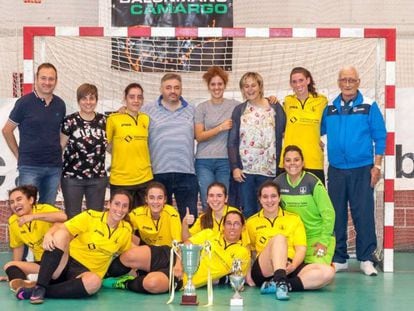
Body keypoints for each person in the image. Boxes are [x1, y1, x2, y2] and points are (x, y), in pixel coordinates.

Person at [321, 66, 387, 276]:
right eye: (343, 80)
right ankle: (339, 258)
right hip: (337, 169)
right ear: (338, 82)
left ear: (358, 82)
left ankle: (366, 258)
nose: (347, 84)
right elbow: (322, 133)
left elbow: (380, 137)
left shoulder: (369, 105)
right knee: (336, 214)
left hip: (362, 169)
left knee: (363, 213)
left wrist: (376, 167)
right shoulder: (330, 106)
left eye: (351, 80)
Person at [14, 190, 133, 304]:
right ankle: (40, 286)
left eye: (124, 206)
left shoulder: (126, 230)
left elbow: (126, 253)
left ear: (128, 210)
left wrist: (136, 274)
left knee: (95, 283)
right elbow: (62, 227)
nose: (120, 209)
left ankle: (39, 291)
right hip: (65, 263)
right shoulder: (91, 216)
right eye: (117, 204)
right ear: (108, 204)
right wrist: (49, 234)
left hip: (84, 274)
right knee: (61, 234)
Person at [102, 210, 250, 294]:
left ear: (242, 227)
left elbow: (237, 280)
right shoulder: (209, 233)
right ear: (223, 226)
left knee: (152, 283)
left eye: (236, 224)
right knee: (130, 255)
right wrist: (178, 264)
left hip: (184, 278)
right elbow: (185, 244)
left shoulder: (242, 252)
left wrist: (212, 279)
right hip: (174, 255)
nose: (232, 227)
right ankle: (102, 274)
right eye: (229, 223)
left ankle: (126, 283)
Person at [246, 181, 334, 300]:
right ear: (260, 199)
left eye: (273, 196)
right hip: (265, 269)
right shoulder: (251, 222)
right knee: (279, 238)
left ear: (279, 198)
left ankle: (282, 285)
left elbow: (301, 248)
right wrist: (247, 273)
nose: (269, 200)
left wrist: (293, 266)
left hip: (290, 266)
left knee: (328, 272)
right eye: (265, 197)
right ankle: (280, 281)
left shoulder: (294, 219)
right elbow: (247, 250)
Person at [2, 63, 66, 205]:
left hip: (54, 168)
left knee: (47, 210)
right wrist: (19, 155)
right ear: (36, 79)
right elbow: (7, 130)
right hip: (29, 167)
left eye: (51, 79)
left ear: (56, 81)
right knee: (26, 209)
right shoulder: (24, 103)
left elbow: (62, 133)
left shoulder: (60, 104)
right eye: (43, 78)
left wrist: (58, 150)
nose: (47, 82)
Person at [228, 72, 286, 218]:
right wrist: (235, 167)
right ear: (242, 89)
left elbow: (286, 132)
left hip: (269, 170)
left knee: (268, 211)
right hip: (246, 172)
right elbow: (232, 141)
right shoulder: (239, 110)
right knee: (248, 211)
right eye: (246, 86)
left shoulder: (275, 107)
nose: (250, 89)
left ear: (260, 87)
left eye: (253, 85)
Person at [142, 73, 198, 220]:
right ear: (161, 89)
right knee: (158, 220)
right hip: (158, 173)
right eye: (168, 87)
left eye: (176, 87)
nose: (172, 91)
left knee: (189, 219)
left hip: (186, 173)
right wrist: (123, 110)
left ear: (181, 90)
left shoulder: (192, 109)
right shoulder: (147, 109)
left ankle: (187, 244)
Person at [274, 145, 336, 264]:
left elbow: (329, 213)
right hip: (293, 240)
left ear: (303, 163)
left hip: (317, 237)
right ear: (283, 163)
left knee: (318, 273)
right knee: (283, 268)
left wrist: (324, 241)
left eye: (296, 160)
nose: (292, 163)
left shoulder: (313, 182)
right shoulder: (278, 183)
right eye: (288, 160)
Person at [3, 185, 67, 291]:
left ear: (31, 200)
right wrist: (14, 272)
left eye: (19, 199)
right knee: (9, 265)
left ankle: (40, 283)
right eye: (12, 202)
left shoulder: (43, 209)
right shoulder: (13, 221)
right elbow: (18, 247)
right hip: (41, 264)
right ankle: (26, 288)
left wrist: (33, 217)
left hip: (60, 262)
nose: (15, 204)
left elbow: (63, 217)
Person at [194, 66, 240, 210]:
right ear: (208, 86)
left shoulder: (234, 105)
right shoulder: (202, 108)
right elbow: (199, 136)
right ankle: (209, 231)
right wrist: (220, 128)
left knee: (223, 202)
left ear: (224, 85)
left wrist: (270, 99)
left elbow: (253, 104)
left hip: (225, 161)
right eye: (213, 84)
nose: (216, 87)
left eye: (220, 84)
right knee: (208, 200)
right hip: (204, 161)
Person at [60, 83, 108, 219]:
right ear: (78, 100)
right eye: (84, 99)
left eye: (92, 98)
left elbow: (110, 146)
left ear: (96, 100)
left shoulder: (104, 121)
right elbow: (61, 146)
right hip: (72, 178)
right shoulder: (70, 121)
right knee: (73, 217)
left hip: (97, 178)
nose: (88, 102)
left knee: (96, 218)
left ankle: (92, 241)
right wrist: (56, 172)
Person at [107, 83, 153, 208]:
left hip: (145, 179)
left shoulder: (146, 119)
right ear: (125, 99)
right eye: (132, 97)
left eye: (139, 97)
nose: (136, 100)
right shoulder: (113, 119)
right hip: (121, 181)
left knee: (142, 224)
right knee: (122, 222)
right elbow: (104, 145)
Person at [279, 67, 328, 183]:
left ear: (308, 80)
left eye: (301, 80)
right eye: (294, 82)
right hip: (290, 162)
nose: (298, 85)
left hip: (313, 160)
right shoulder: (287, 101)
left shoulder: (322, 101)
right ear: (291, 84)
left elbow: (328, 126)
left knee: (315, 200)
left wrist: (322, 140)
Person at [182, 181, 249, 245]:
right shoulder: (203, 218)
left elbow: (245, 244)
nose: (215, 199)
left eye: (219, 196)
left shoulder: (236, 215)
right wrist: (185, 224)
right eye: (211, 196)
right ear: (207, 199)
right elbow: (187, 242)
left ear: (226, 198)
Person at [129, 181, 181, 246]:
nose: (155, 202)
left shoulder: (172, 214)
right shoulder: (137, 214)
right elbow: (123, 227)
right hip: (147, 248)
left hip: (167, 250)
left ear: (165, 200)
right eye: (151, 198)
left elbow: (177, 243)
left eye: (160, 198)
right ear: (146, 199)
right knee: (126, 235)